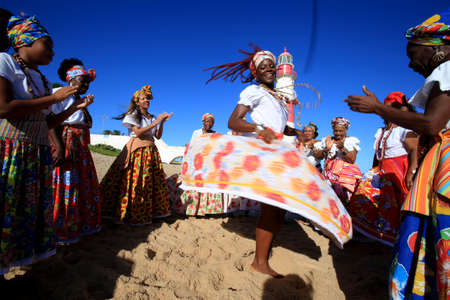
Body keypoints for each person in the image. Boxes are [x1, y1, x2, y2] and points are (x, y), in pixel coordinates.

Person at [193, 46, 351, 277]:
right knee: (271, 208)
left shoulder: (278, 98)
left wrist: (294, 132)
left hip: (278, 150)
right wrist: (259, 129)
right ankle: (260, 262)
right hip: (264, 153)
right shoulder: (253, 92)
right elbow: (233, 121)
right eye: (263, 67)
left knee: (278, 210)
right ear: (256, 73)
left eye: (272, 66)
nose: (269, 69)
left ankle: (262, 259)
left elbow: (278, 125)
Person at [345, 11, 450, 299]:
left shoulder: (448, 70)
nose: (410, 62)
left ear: (436, 48)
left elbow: (432, 124)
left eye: (413, 53)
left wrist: (378, 108)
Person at [0, 13, 82, 275]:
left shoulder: (42, 80)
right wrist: (55, 97)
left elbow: (47, 122)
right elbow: (4, 108)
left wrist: (72, 107)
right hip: (10, 150)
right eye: (48, 44)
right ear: (25, 41)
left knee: (25, 212)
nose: (52, 51)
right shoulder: (4, 62)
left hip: (35, 153)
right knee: (6, 206)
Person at [348, 92, 419, 246]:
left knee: (394, 203)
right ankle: (366, 232)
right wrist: (373, 171)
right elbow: (377, 154)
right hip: (380, 170)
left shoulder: (404, 129)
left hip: (397, 171)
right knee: (363, 195)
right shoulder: (381, 132)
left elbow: (413, 150)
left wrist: (412, 172)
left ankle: (388, 236)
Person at [100, 85, 172, 225]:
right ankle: (129, 212)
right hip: (138, 151)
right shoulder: (132, 115)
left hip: (151, 151)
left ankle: (150, 212)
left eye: (148, 99)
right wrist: (156, 122)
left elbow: (157, 136)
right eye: (143, 98)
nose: (147, 101)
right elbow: (138, 132)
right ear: (137, 101)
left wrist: (161, 123)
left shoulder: (151, 117)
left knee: (151, 182)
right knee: (137, 181)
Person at [49, 59, 101, 244]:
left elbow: (85, 123)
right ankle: (62, 227)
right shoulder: (59, 94)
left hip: (80, 147)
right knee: (67, 182)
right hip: (68, 144)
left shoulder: (76, 101)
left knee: (81, 183)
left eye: (87, 82)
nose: (86, 85)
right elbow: (51, 122)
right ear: (70, 79)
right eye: (82, 80)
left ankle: (78, 225)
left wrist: (83, 106)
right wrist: (60, 148)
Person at [177, 113, 227, 215]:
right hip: (197, 163)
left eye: (211, 121)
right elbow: (191, 147)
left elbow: (218, 148)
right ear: (203, 122)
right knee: (195, 185)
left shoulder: (216, 134)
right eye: (207, 121)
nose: (209, 123)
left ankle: (205, 209)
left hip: (208, 164)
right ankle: (193, 209)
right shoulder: (196, 133)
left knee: (207, 186)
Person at [314, 117, 363, 205]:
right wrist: (326, 149)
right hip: (329, 172)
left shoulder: (350, 141)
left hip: (345, 174)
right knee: (326, 196)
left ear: (346, 130)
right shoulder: (327, 140)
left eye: (341, 131)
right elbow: (318, 156)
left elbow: (352, 159)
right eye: (336, 131)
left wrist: (342, 148)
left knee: (341, 198)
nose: (338, 133)